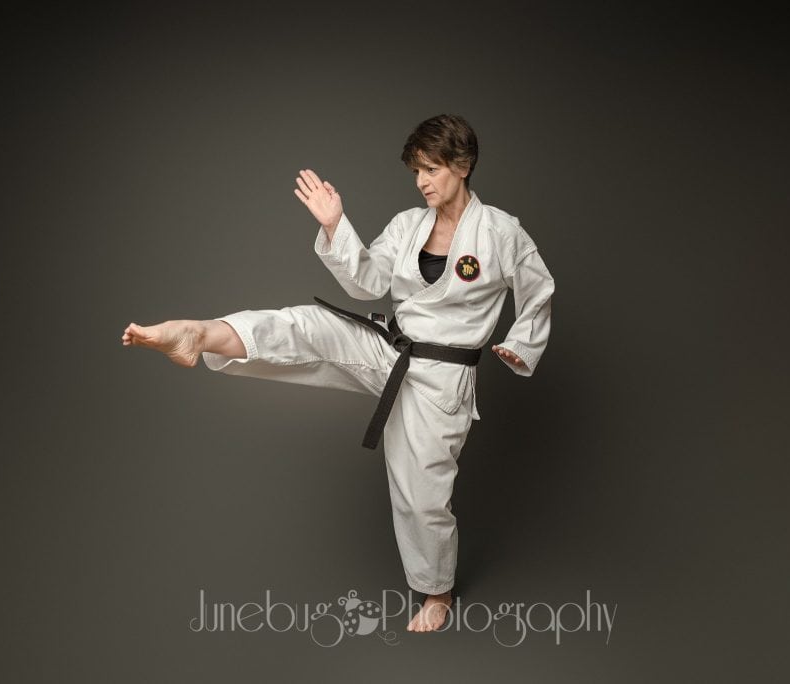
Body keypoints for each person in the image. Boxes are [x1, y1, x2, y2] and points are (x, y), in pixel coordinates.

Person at [122, 114, 555, 633]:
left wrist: (519, 344)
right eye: (417, 170)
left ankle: (436, 593)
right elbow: (368, 281)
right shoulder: (408, 224)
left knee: (420, 496)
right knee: (309, 326)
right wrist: (334, 225)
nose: (422, 181)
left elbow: (539, 289)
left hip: (441, 380)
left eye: (432, 169)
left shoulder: (502, 232)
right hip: (391, 347)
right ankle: (199, 334)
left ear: (462, 166)